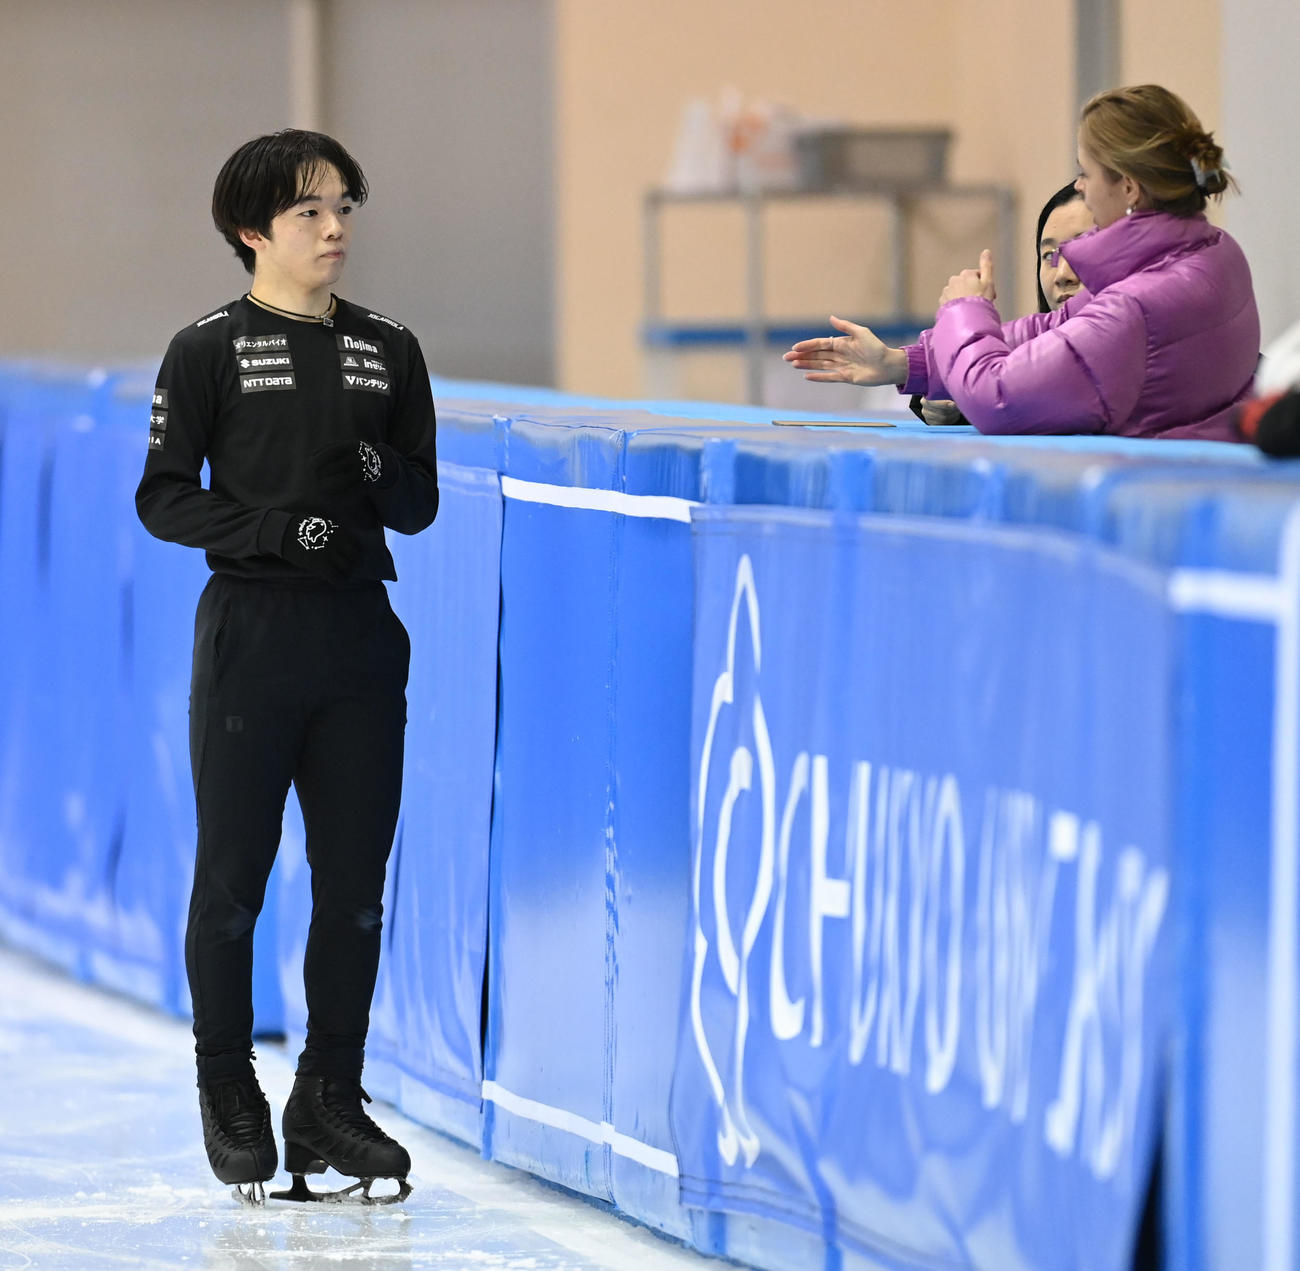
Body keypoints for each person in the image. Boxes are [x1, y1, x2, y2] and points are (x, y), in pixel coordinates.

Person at [135, 130, 439, 1204]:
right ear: (251, 230)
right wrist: (272, 532)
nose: (335, 227)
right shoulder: (207, 348)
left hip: (360, 641)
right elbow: (164, 494)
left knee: (354, 890)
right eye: (310, 211)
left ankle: (328, 1093)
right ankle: (228, 1086)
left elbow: (420, 502)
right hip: (253, 638)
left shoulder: (390, 347)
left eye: (343, 206)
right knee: (234, 881)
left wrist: (381, 470)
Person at [788, 85, 1259, 441]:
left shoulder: (1137, 306)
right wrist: (905, 363)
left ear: (1129, 188)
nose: (1080, 187)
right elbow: (1055, 334)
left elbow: (997, 396)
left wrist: (965, 310)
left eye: (1086, 173)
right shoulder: (1214, 252)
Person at [913, 182, 1095, 425]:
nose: (1062, 274)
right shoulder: (1029, 346)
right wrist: (961, 404)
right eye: (1050, 256)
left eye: (1081, 248)